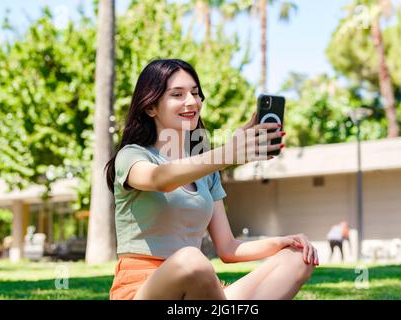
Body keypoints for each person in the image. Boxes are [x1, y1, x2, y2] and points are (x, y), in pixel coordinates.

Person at [106, 59, 319, 300]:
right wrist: (228, 153)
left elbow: (228, 248)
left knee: (296, 258)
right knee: (191, 259)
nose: (192, 101)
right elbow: (160, 179)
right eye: (177, 94)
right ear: (150, 107)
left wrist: (283, 242)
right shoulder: (132, 156)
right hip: (142, 290)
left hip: (204, 290)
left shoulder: (207, 171)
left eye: (195, 93)